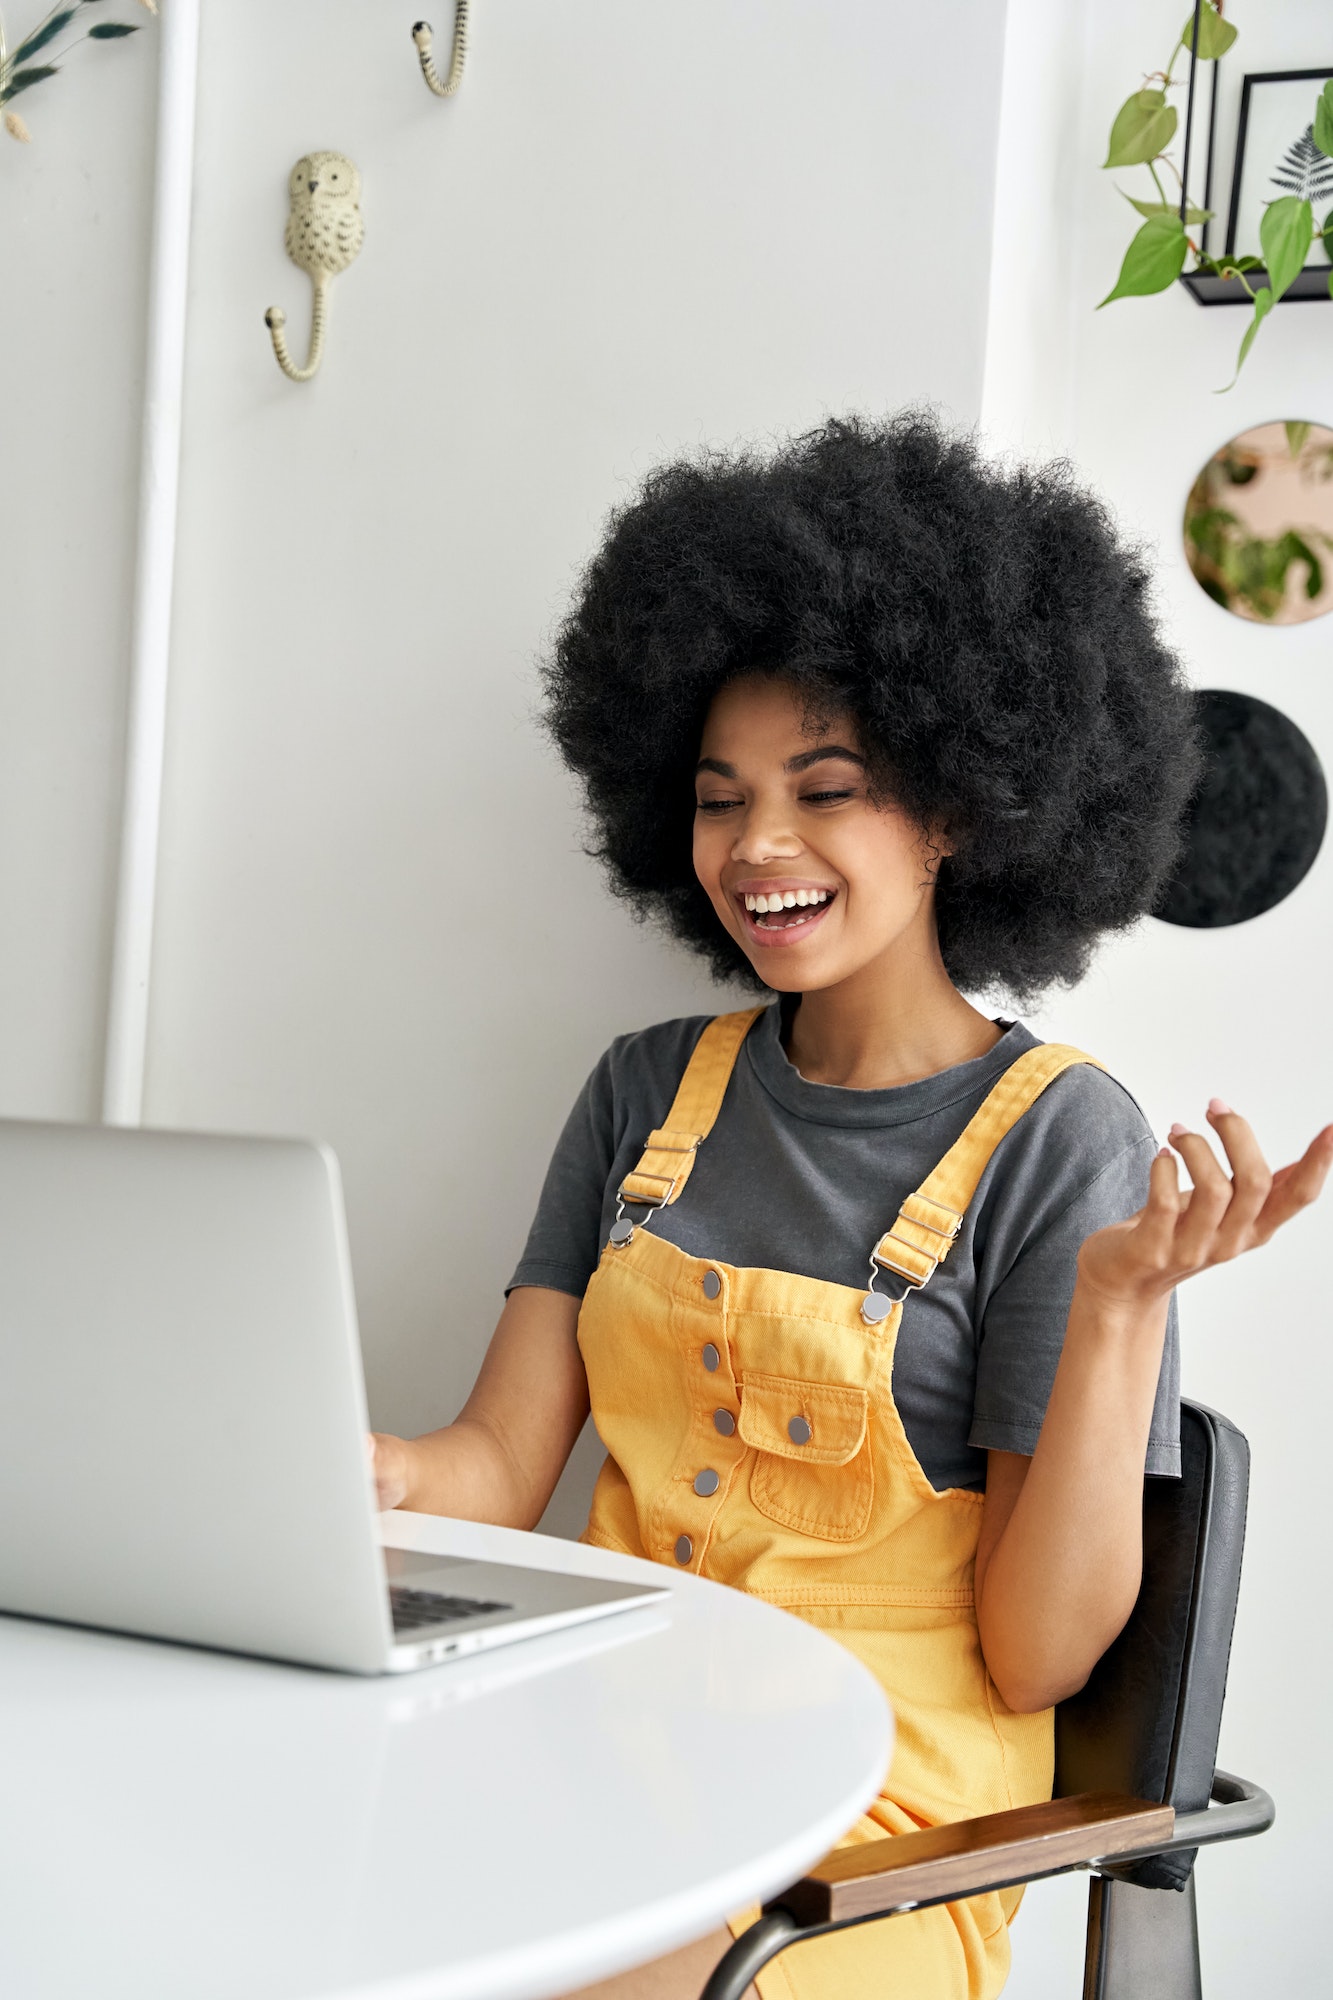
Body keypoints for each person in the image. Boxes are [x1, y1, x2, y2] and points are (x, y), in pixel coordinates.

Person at [371, 414, 1332, 2000]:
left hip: (866, 1856)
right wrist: (374, 1478)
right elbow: (496, 1465)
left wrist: (1118, 1312)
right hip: (591, 1779)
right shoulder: (641, 1091)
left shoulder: (1059, 1139)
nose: (757, 847)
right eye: (718, 799)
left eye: (826, 790)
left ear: (955, 806)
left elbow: (1037, 1657)